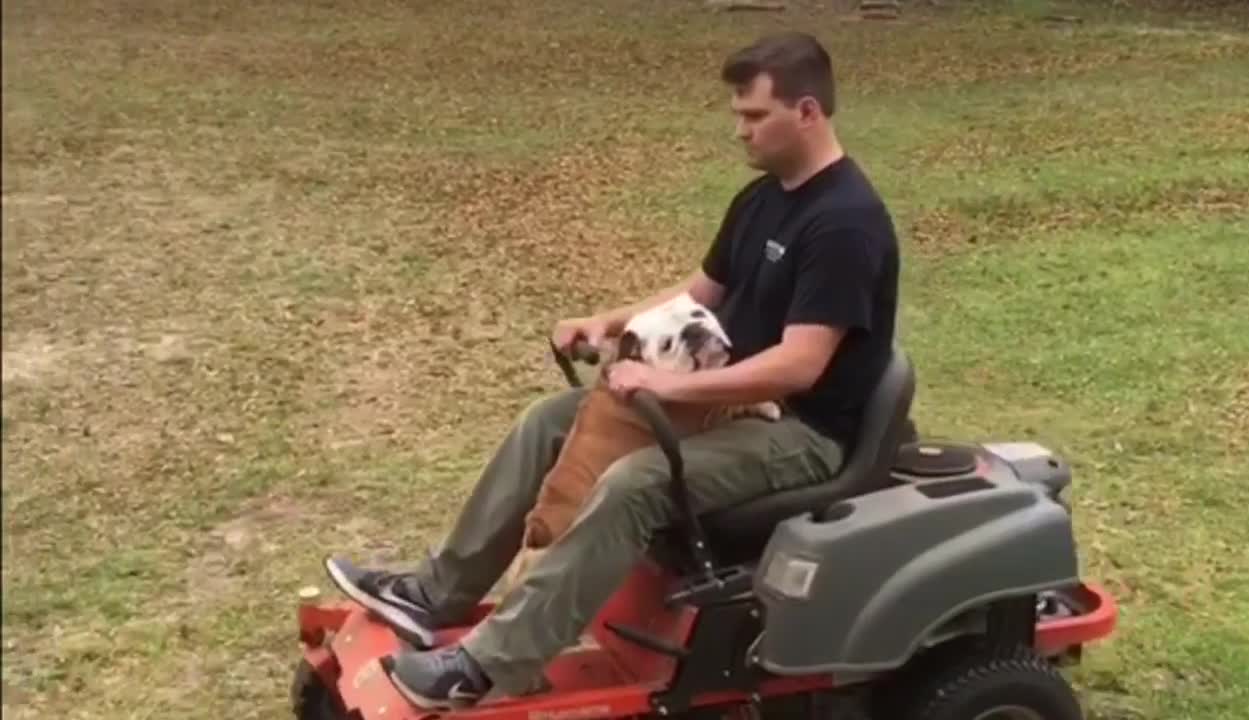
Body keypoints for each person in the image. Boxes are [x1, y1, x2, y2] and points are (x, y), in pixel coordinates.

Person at [323, 31, 901, 709]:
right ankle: (436, 594)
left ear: (807, 112)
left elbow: (798, 367)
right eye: (736, 114)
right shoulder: (763, 199)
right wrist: (610, 323)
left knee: (637, 481)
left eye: (753, 116)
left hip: (804, 434)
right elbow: (696, 295)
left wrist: (667, 384)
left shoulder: (845, 223)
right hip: (728, 403)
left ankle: (488, 665)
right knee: (549, 422)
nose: (738, 130)